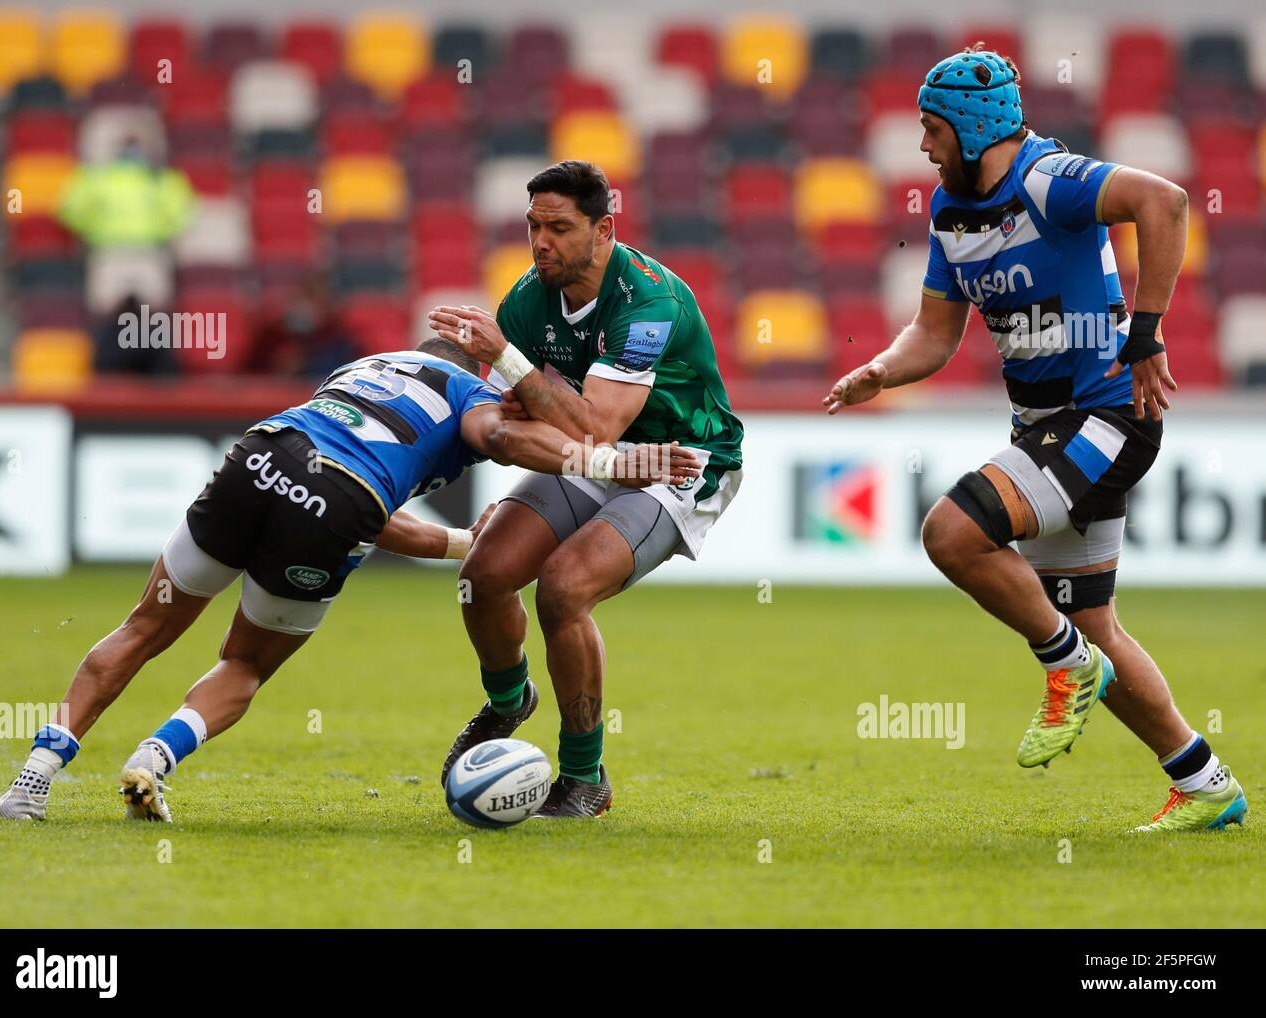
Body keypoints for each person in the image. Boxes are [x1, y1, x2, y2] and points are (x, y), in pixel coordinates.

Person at [0, 337, 697, 822]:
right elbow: (494, 443)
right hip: (338, 501)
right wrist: (605, 461)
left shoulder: (365, 366)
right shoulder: (471, 395)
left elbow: (356, 496)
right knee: (243, 661)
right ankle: (155, 756)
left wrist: (461, 544)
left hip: (262, 455)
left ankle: (32, 780)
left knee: (143, 627)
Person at [825, 46, 1247, 832]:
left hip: (1109, 417)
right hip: (1048, 427)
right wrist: (881, 371)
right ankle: (1204, 781)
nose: (923, 147)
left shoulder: (1049, 182)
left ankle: (1063, 666)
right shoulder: (951, 212)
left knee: (952, 534)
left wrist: (1146, 335)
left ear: (974, 127)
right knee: (1094, 624)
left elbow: (1167, 201)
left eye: (932, 131)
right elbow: (934, 332)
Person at [426, 160, 744, 817]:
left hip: (684, 466)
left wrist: (512, 367)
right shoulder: (528, 297)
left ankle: (583, 777)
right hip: (603, 459)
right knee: (483, 575)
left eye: (560, 228)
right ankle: (510, 698)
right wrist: (512, 415)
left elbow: (595, 424)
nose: (542, 242)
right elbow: (506, 416)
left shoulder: (648, 301)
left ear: (604, 230)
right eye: (533, 226)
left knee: (564, 588)